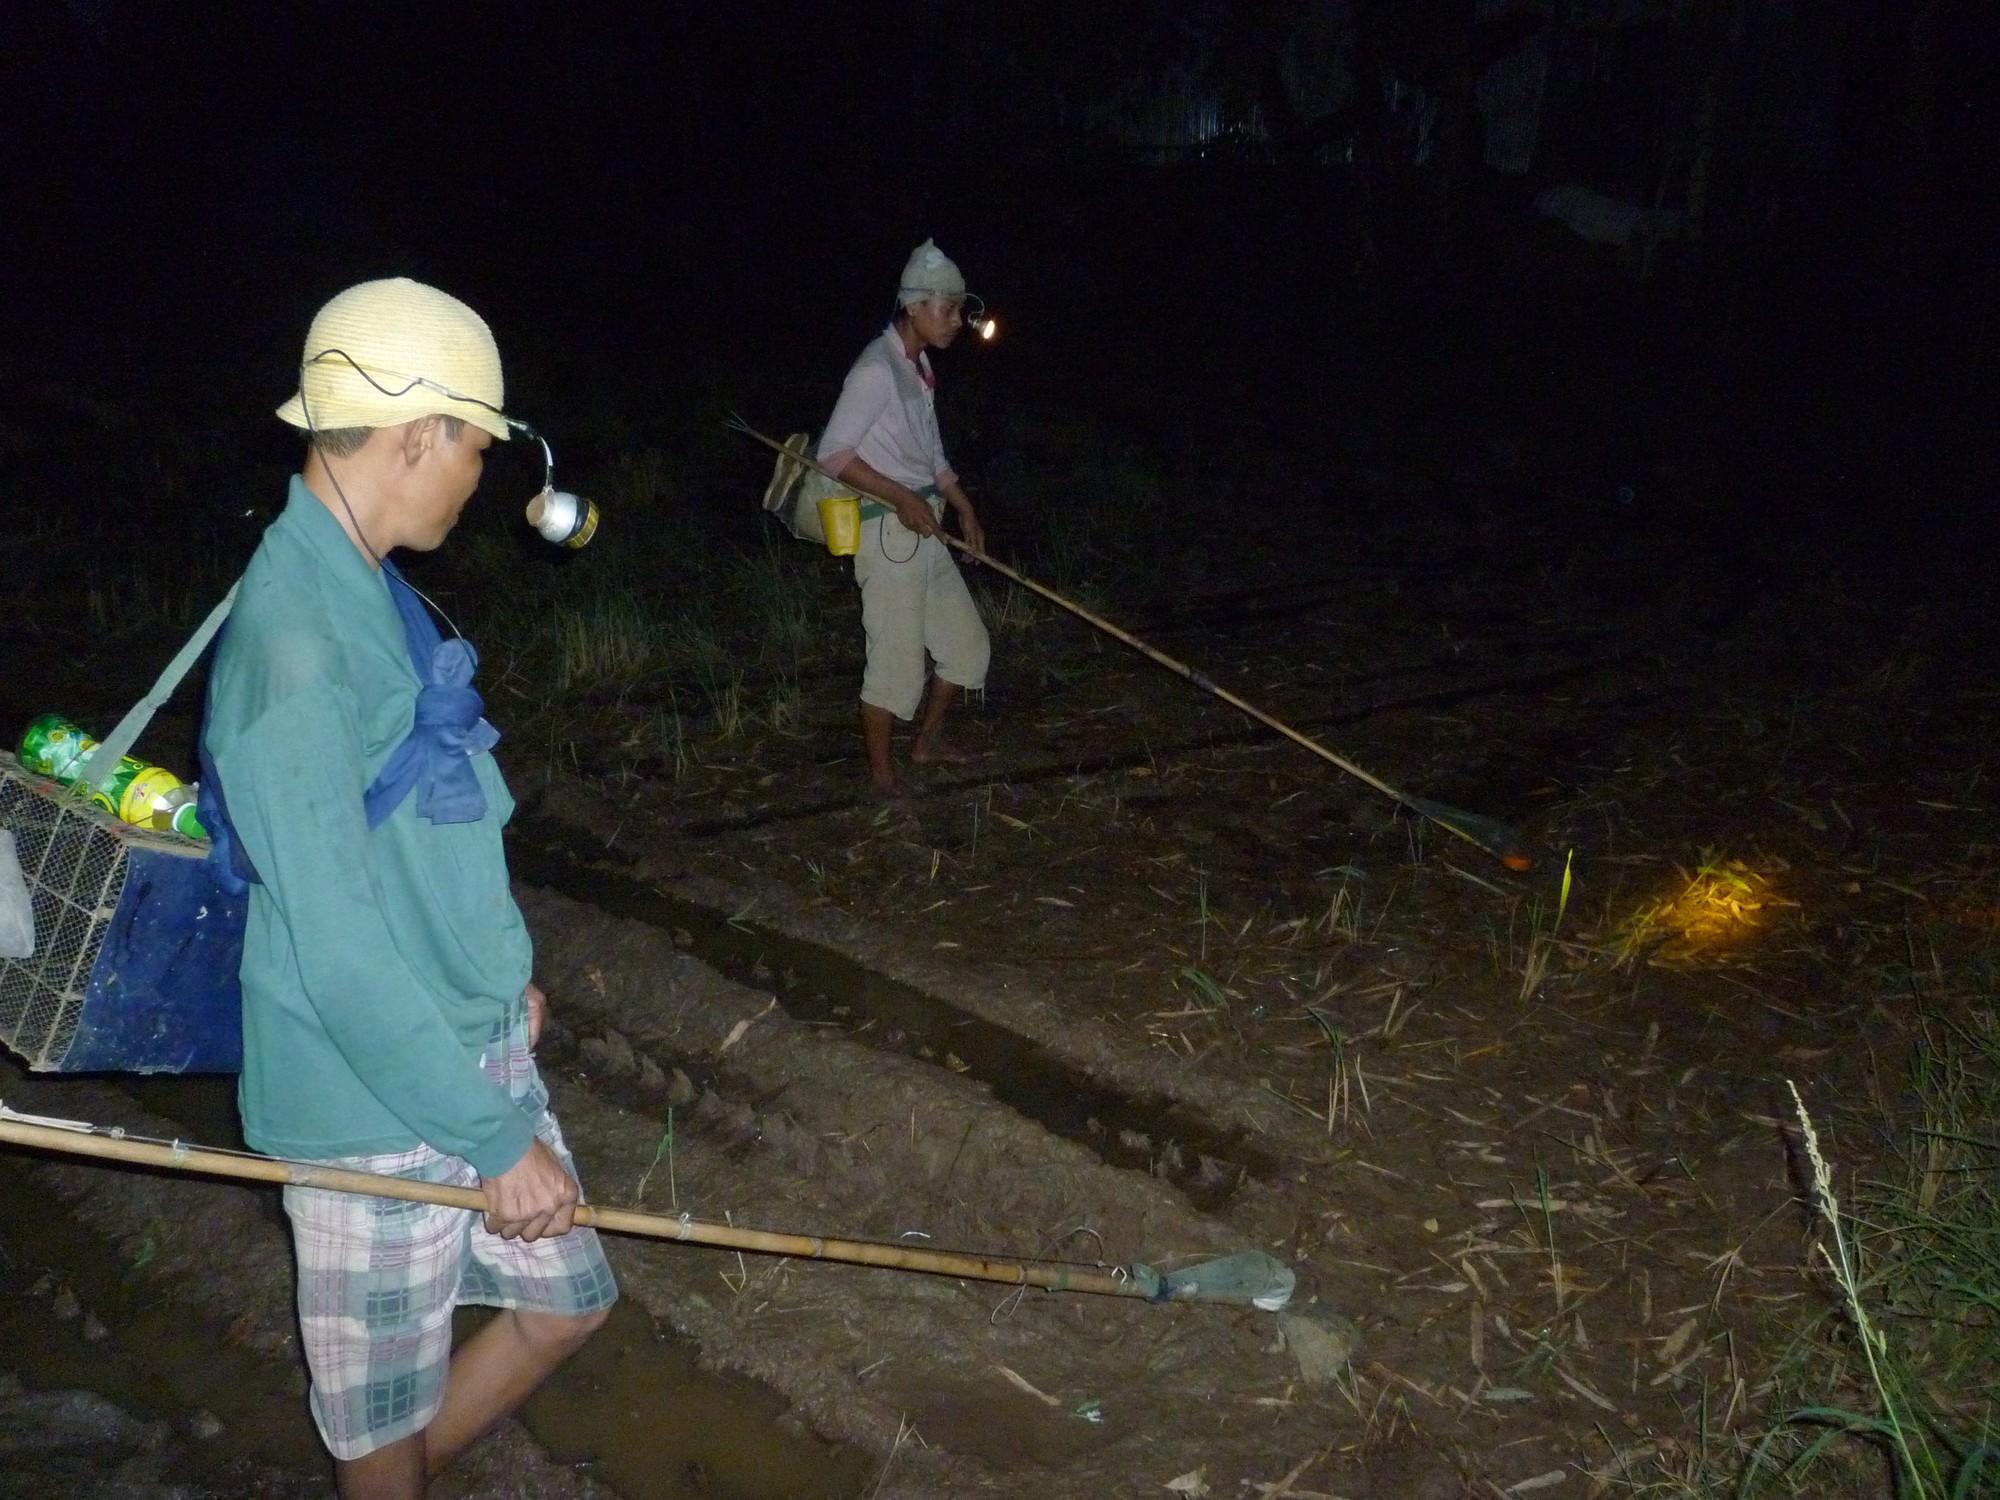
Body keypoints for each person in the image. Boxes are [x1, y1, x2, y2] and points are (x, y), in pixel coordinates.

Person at [202, 278, 615, 1500]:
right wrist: (492, 1138)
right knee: (380, 1429)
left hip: (460, 1038)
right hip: (367, 1099)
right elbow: (332, 945)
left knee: (569, 1304)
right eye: (478, 449)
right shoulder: (295, 641)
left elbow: (413, 826)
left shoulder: (360, 580)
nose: (481, 476)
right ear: (414, 436)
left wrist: (497, 979)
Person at [817, 238, 992, 794]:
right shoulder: (875, 369)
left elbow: (930, 452)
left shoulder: (916, 369)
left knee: (967, 648)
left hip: (925, 526)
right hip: (888, 532)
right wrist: (905, 498)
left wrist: (961, 504)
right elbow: (834, 454)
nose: (957, 321)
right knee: (895, 666)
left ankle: (926, 743)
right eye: (948, 309)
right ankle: (881, 776)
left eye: (961, 309)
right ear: (913, 306)